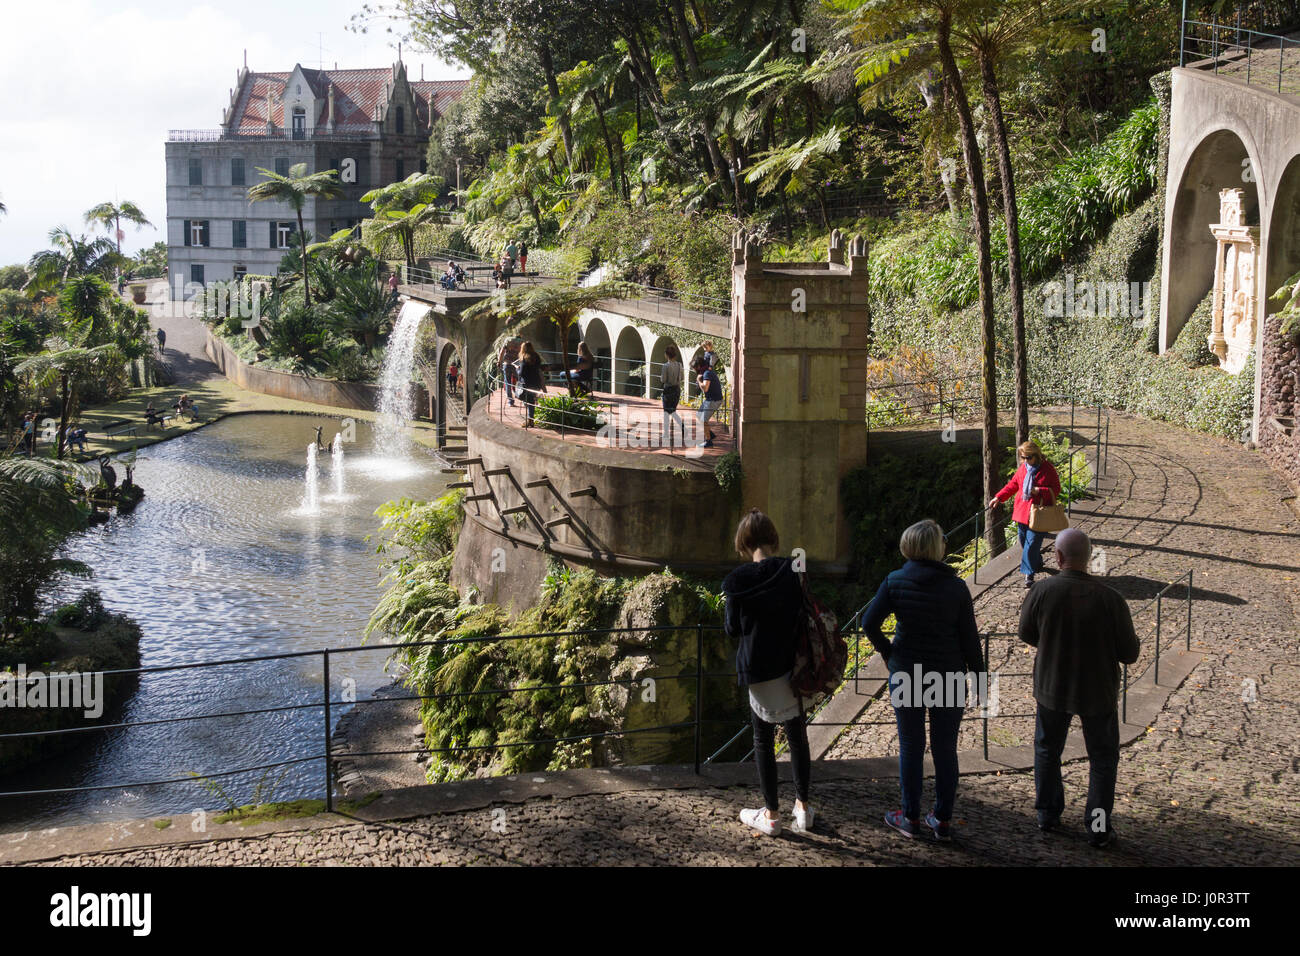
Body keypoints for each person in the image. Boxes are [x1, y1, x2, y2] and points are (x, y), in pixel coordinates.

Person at [860, 519, 984, 841]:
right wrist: (982, 683)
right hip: (948, 676)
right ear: (937, 548)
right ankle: (942, 819)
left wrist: (890, 654)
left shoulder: (894, 581)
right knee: (946, 749)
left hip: (908, 674)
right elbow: (970, 640)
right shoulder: (956, 588)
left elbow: (869, 623)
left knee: (911, 747)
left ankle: (910, 817)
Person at [1019, 528, 1138, 848]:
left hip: (1051, 686)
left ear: (1057, 558)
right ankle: (1098, 828)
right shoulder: (1110, 599)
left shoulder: (1041, 592)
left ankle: (1047, 814)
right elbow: (1130, 653)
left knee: (1047, 749)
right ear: (1089, 559)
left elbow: (1026, 633)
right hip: (1097, 691)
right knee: (1102, 759)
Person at [723, 508, 812, 836]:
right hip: (792, 667)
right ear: (773, 538)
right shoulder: (794, 571)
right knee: (797, 735)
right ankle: (803, 808)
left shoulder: (737, 582)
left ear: (743, 543)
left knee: (763, 739)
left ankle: (771, 815)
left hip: (757, 670)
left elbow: (732, 629)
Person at [990, 440, 1062, 588]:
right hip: (1022, 512)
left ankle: (1028, 574)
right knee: (1024, 542)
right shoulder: (1024, 468)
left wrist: (1039, 491)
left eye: (1028, 457)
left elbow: (1056, 489)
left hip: (1039, 514)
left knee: (1031, 544)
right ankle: (1038, 562)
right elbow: (1013, 485)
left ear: (1036, 455)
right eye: (1023, 457)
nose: (1025, 460)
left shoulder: (1048, 469)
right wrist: (999, 497)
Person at [694, 357, 723, 448]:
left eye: (694, 368)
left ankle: (708, 441)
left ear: (698, 366)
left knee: (703, 420)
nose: (694, 370)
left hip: (714, 400)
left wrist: (699, 380)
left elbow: (705, 388)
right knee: (699, 415)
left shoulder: (707, 374)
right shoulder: (706, 371)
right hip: (710, 399)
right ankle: (710, 434)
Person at [660, 344, 684, 448]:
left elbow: (663, 380)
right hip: (677, 390)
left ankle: (666, 433)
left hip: (668, 390)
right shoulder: (679, 365)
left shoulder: (665, 366)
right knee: (673, 410)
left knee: (666, 412)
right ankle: (682, 427)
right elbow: (682, 378)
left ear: (666, 355)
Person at [517, 341, 545, 428]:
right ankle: (530, 420)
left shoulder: (524, 358)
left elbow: (521, 373)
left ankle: (530, 420)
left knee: (527, 400)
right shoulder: (536, 356)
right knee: (531, 401)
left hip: (527, 383)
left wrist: (517, 369)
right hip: (536, 382)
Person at [499, 341, 520, 407]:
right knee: (520, 380)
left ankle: (511, 401)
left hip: (507, 364)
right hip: (515, 365)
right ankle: (522, 396)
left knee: (508, 383)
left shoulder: (507, 341)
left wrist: (499, 362)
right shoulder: (520, 342)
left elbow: (501, 353)